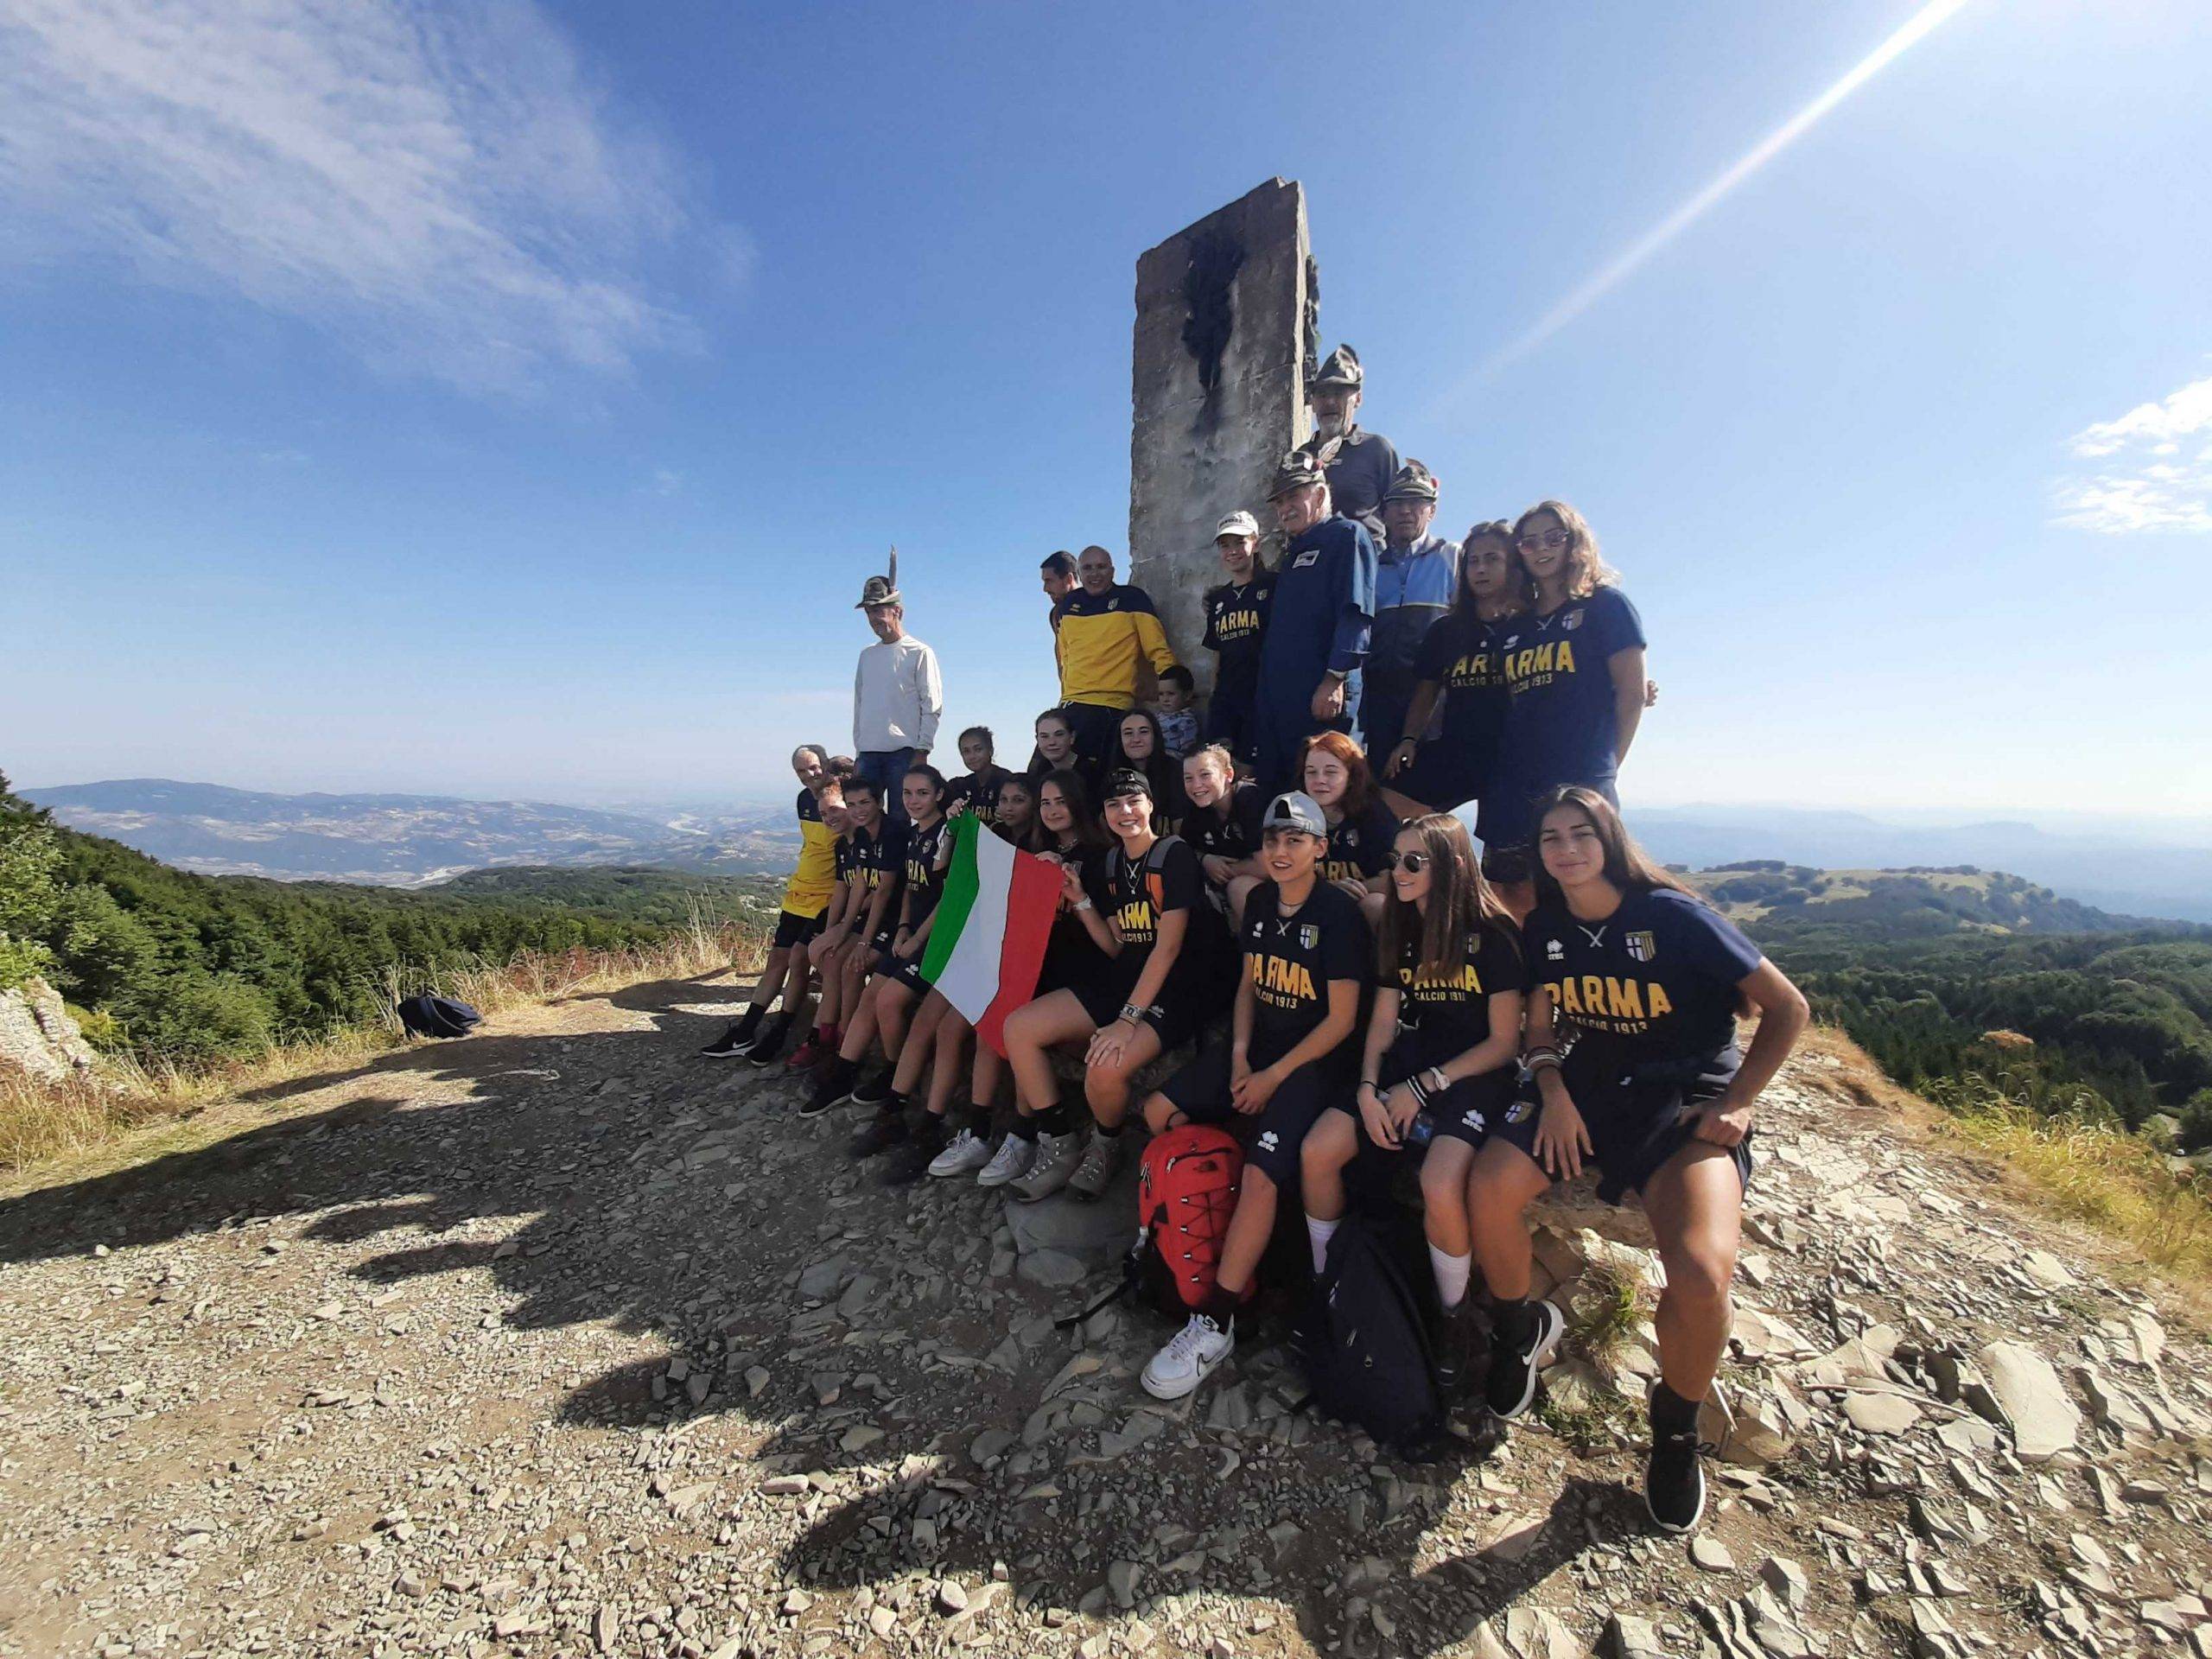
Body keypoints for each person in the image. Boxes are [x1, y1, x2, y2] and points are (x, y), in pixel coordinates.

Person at [1466, 787, 1808, 1534]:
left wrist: (1740, 1101)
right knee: (1489, 1187)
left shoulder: (1672, 916)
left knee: (1699, 1272)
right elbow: (1543, 1021)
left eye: (1580, 833)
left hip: (1684, 1096)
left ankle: (1676, 1429)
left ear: (1609, 837)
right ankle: (1521, 1328)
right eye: (1550, 837)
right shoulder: (1548, 924)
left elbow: (1787, 1008)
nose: (1565, 849)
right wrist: (1551, 1086)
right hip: (1586, 1087)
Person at [1135, 789, 1370, 1401]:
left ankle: (1217, 1317)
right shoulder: (1262, 901)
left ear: (1321, 848)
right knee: (1158, 1111)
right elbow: (1248, 986)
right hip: (1258, 1049)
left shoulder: (1338, 915)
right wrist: (1240, 1057)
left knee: (1267, 1170)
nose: (1282, 850)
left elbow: (1341, 1022)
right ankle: (1192, 1228)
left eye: (1296, 840)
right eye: (1271, 840)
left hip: (1313, 1064)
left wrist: (1270, 1076)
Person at [1298, 812, 1526, 1395]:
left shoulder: (1492, 935)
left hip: (1471, 1075)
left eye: (1412, 862)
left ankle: (1454, 1320)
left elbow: (1503, 1043)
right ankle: (1328, 1282)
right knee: (1320, 1150)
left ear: (1449, 867)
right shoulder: (1399, 931)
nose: (1397, 872)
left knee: (1440, 1182)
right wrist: (1369, 1089)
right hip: (1405, 1069)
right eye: (1394, 860)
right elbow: (1380, 1024)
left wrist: (1423, 1087)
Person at [999, 769, 1227, 1204]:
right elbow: (1116, 944)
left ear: (1151, 804)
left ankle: (1106, 1145)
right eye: (1113, 804)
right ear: (1102, 813)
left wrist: (1127, 1020)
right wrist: (1080, 898)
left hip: (1179, 986)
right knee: (1019, 1028)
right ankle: (1059, 1144)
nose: (1124, 812)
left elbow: (1168, 947)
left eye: (1132, 801)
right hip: (1127, 975)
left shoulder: (1173, 854)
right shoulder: (1111, 862)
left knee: (1104, 1066)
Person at [1485, 502, 1647, 913]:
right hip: (1514, 778)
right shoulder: (1513, 627)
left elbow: (1631, 693)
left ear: (1574, 541)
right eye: (1529, 541)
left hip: (1581, 772)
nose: (1541, 549)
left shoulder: (1605, 606)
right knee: (1512, 895)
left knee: (1589, 888)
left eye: (1553, 537)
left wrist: (1607, 764)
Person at [969, 768, 1116, 1187]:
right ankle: (997, 1134)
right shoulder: (1037, 847)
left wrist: (1074, 888)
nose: (1052, 810)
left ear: (1077, 804)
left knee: (1020, 1028)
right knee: (991, 1025)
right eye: (1046, 802)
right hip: (1045, 969)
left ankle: (1041, 1137)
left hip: (1090, 976)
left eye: (1060, 802)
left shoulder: (1102, 855)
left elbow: (1112, 944)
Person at [837, 766, 960, 1156]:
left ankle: (897, 1091)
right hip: (911, 934)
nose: (913, 800)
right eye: (907, 793)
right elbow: (910, 888)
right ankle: (889, 1085)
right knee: (876, 994)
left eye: (922, 793)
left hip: (936, 940)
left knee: (889, 1000)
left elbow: (949, 897)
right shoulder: (914, 833)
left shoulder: (948, 834)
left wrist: (918, 937)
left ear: (939, 794)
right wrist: (904, 926)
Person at [1252, 448, 1378, 796]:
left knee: (1330, 792)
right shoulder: (1294, 551)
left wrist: (1335, 677)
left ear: (1320, 494)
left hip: (1320, 697)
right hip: (1282, 701)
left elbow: (1355, 614)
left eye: (1294, 496)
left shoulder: (1346, 536)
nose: (1284, 508)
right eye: (1279, 501)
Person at [700, 745, 839, 1061]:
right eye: (801, 771)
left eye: (814, 768)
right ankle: (747, 1031)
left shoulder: (841, 799)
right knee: (778, 959)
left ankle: (779, 1034)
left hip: (827, 896)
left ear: (826, 764)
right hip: (800, 891)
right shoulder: (804, 799)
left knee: (799, 961)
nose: (809, 776)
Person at [1382, 521, 1526, 820]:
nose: (1481, 569)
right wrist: (1409, 739)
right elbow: (1426, 692)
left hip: (1511, 755)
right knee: (1385, 799)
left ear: (1512, 566)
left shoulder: (1529, 626)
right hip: (1457, 749)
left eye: (1492, 559)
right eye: (1473, 561)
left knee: (1503, 854)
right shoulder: (1446, 630)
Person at [793, 773, 906, 1103]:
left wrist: (861, 942)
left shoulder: (891, 834)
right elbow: (857, 885)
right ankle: (831, 1041)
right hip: (872, 920)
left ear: (879, 803)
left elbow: (883, 893)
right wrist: (838, 931)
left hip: (895, 920)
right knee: (833, 959)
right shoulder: (860, 838)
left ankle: (843, 1050)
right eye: (853, 804)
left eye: (863, 803)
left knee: (851, 967)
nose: (857, 810)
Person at [1364, 461, 1459, 779]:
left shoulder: (1452, 557)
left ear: (1431, 510)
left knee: (1424, 790)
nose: (1406, 511)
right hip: (1378, 700)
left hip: (1433, 699)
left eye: (1416, 502)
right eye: (1397, 503)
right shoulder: (1372, 566)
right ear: (1384, 513)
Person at [1054, 544, 1180, 767]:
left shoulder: (1132, 599)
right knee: (1041, 779)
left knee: (1087, 779)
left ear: (1113, 571)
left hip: (1109, 706)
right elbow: (1065, 658)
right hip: (1069, 707)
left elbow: (1158, 651)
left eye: (1101, 567)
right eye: (1088, 568)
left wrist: (1176, 692)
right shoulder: (1069, 605)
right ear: (1079, 574)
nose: (1095, 574)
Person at [851, 562, 943, 825]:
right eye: (869, 612)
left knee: (900, 821)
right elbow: (860, 705)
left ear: (897, 611)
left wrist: (923, 749)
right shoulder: (866, 656)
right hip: (868, 753)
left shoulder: (919, 652)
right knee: (866, 823)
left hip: (903, 753)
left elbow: (932, 705)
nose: (873, 619)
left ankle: (901, 868)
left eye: (879, 610)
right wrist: (859, 751)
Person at [1301, 731, 1397, 931]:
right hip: (1310, 900)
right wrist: (1325, 891)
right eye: (1311, 772)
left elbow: (1394, 880)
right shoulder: (1294, 811)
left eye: (1330, 772)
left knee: (1376, 905)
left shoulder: (1375, 815)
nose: (1319, 780)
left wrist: (1343, 893)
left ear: (1352, 776)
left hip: (1358, 905)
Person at [1200, 511, 1274, 765]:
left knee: (1255, 772)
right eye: (1225, 545)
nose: (1232, 551)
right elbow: (1217, 653)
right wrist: (1214, 696)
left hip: (1263, 696)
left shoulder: (1275, 586)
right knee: (1220, 769)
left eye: (1239, 542)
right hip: (1226, 700)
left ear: (1255, 542)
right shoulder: (1218, 600)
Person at [1306, 345, 1400, 542]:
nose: (1330, 402)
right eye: (1322, 394)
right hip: (1316, 566)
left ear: (1357, 399)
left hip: (1368, 562)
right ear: (1313, 403)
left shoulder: (1377, 449)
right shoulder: (1299, 458)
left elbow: (1396, 515)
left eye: (1339, 393)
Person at [1178, 744, 1265, 928]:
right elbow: (1184, 851)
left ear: (1228, 775)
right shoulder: (1198, 807)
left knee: (1239, 887)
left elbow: (1266, 867)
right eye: (1188, 778)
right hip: (1221, 894)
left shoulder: (1249, 800)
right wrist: (1205, 860)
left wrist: (1219, 870)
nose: (1196, 785)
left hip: (1270, 889)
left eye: (1205, 775)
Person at [1112, 708, 1185, 830]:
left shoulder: (1176, 771)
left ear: (1155, 736)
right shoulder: (1112, 776)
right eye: (1128, 733)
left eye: (1144, 732)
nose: (1136, 739)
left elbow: (1180, 823)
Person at [946, 726, 1014, 826]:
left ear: (990, 751)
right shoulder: (961, 785)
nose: (972, 756)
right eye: (966, 751)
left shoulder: (1007, 781)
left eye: (978, 749)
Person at [1026, 708, 1091, 791]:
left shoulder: (1092, 773)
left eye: (1059, 735)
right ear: (1037, 740)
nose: (1052, 742)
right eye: (1044, 736)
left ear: (1072, 737)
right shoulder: (1036, 774)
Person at [1153, 665, 1199, 759]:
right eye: (1161, 694)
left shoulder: (1187, 722)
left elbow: (1188, 752)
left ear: (1187, 695)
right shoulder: (1157, 716)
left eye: (1171, 694)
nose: (1165, 699)